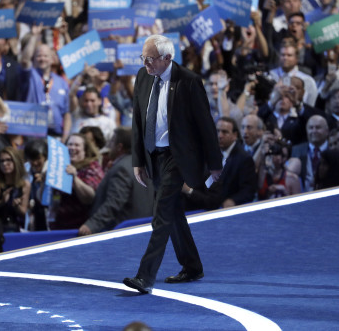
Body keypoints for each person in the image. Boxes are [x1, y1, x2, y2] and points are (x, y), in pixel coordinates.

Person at [124, 34, 222, 294]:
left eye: (150, 58)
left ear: (168, 58)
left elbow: (205, 124)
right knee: (174, 212)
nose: (145, 63)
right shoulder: (142, 77)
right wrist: (138, 160)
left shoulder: (188, 81)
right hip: (153, 156)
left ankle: (145, 277)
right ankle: (192, 266)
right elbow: (137, 121)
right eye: (143, 57)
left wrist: (215, 163)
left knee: (162, 213)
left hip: (178, 158)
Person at [79, 127, 154, 236]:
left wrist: (92, 225)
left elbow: (114, 202)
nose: (109, 145)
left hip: (120, 233)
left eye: (112, 141)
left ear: (119, 147)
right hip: (142, 230)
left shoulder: (122, 168)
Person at [183, 117, 257, 210]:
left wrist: (233, 200)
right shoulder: (208, 152)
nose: (219, 135)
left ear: (235, 135)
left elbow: (248, 191)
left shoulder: (244, 159)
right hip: (206, 205)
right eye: (217, 131)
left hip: (227, 209)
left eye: (224, 132)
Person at [48, 133, 104, 230]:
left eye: (77, 145)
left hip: (82, 228)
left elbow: (90, 198)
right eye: (70, 144)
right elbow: (44, 198)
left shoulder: (92, 167)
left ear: (85, 150)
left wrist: (74, 178)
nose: (72, 148)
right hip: (59, 226)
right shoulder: (60, 166)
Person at [0, 147, 31, 232]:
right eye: (1, 161)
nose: (5, 164)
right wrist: (2, 201)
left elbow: (23, 212)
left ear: (15, 161)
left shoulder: (25, 184)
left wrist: (17, 206)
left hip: (14, 227)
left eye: (8, 160)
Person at [291, 115, 330, 192]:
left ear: (327, 131)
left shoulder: (334, 149)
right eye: (311, 128)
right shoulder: (296, 150)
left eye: (318, 127)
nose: (314, 131)